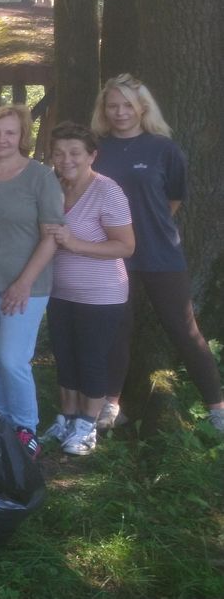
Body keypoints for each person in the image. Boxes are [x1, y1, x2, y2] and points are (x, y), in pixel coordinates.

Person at [91, 74, 224, 433]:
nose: (120, 112)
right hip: (113, 255)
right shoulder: (96, 148)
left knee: (184, 329)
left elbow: (174, 198)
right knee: (118, 329)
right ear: (104, 110)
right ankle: (110, 405)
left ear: (142, 108)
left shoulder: (164, 148)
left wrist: (149, 226)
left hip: (160, 253)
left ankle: (217, 407)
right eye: (112, 106)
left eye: (127, 105)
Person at [0, 104, 64, 459]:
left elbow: (52, 236)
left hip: (28, 285)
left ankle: (25, 428)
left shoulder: (40, 177)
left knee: (12, 358)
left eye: (10, 132)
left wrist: (23, 282)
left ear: (23, 136)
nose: (2, 139)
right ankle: (0, 422)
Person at [41, 122, 135, 457]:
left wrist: (77, 244)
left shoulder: (107, 190)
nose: (66, 159)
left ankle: (87, 425)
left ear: (91, 155)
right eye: (59, 152)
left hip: (102, 294)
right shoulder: (53, 186)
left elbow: (126, 246)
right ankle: (66, 417)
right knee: (65, 357)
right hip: (59, 291)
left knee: (91, 359)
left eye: (75, 153)